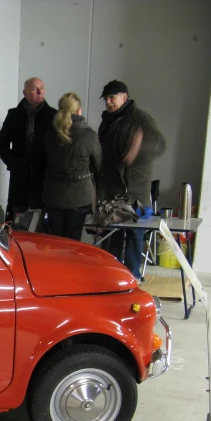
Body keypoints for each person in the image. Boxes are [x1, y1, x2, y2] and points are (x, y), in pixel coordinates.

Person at [97, 80, 166, 280]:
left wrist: (135, 154)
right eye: (106, 99)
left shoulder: (141, 119)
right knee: (112, 235)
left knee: (135, 236)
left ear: (124, 97)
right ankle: (114, 275)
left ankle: (134, 276)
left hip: (135, 189)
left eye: (113, 97)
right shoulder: (107, 120)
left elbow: (159, 145)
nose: (109, 102)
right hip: (111, 189)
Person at [0, 77, 57, 222]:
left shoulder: (53, 116)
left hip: (43, 178)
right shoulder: (14, 115)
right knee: (17, 223)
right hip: (20, 178)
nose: (39, 91)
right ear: (25, 92)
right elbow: (1, 144)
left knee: (42, 224)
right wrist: (14, 164)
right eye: (35, 88)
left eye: (42, 88)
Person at [42, 93, 101, 241]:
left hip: (53, 194)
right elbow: (98, 164)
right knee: (73, 240)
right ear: (79, 110)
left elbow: (43, 160)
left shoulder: (49, 134)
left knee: (55, 240)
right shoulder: (89, 135)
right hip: (79, 195)